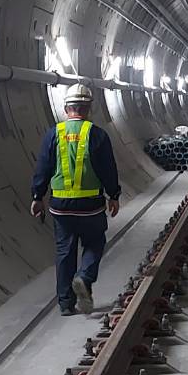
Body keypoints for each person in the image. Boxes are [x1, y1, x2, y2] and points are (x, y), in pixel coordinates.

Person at [29, 83, 121, 315]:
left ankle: (66, 304)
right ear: (89, 107)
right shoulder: (97, 134)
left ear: (65, 107)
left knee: (64, 253)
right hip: (90, 206)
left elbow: (43, 167)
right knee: (94, 243)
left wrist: (37, 196)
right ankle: (84, 277)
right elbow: (107, 169)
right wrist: (114, 195)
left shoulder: (54, 134)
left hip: (60, 207)